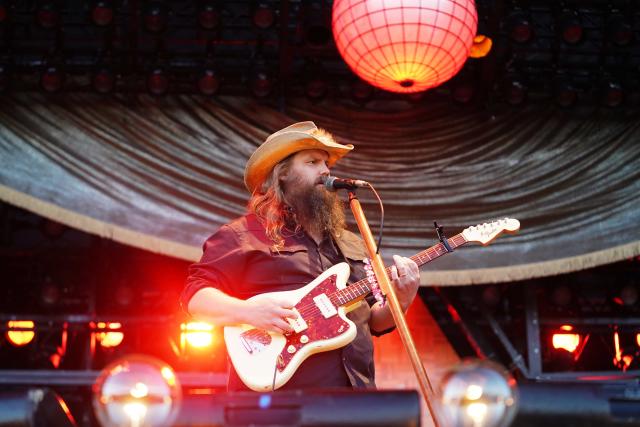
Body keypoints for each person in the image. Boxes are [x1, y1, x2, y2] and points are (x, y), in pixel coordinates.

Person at [180, 121, 420, 391]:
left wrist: (401, 299)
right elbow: (195, 297)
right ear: (282, 173)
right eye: (312, 162)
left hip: (356, 396)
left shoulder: (351, 242)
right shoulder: (243, 234)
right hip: (282, 400)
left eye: (327, 163)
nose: (325, 170)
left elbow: (372, 322)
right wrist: (248, 311)